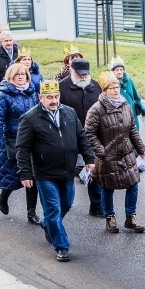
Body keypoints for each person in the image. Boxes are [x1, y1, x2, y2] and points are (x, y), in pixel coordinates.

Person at [16, 79, 95, 262]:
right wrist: (25, 173)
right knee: (53, 209)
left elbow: (81, 136)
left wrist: (89, 158)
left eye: (56, 96)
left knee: (66, 204)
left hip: (67, 171)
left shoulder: (69, 112)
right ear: (40, 97)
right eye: (49, 97)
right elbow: (22, 148)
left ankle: (47, 224)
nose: (53, 100)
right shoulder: (30, 118)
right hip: (45, 174)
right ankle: (61, 246)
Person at [84, 71, 145, 234]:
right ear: (104, 91)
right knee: (107, 187)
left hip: (126, 153)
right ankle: (109, 217)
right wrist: (101, 151)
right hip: (107, 155)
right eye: (111, 88)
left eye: (117, 86)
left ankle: (130, 217)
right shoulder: (96, 109)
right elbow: (89, 132)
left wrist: (141, 149)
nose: (115, 90)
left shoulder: (125, 104)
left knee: (133, 184)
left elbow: (132, 129)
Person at [0, 63, 40, 223]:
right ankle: (4, 196)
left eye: (23, 74)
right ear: (11, 76)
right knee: (12, 177)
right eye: (17, 74)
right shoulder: (4, 94)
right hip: (12, 140)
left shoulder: (32, 91)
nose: (21, 77)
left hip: (33, 140)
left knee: (33, 177)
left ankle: (31, 212)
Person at [59, 58, 103, 217]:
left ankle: (96, 205)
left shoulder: (96, 86)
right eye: (80, 74)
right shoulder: (62, 87)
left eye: (86, 74)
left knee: (93, 169)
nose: (84, 77)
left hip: (92, 136)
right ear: (71, 71)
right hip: (69, 135)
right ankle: (63, 202)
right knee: (69, 171)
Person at [110, 55, 145, 131]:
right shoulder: (110, 83)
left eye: (121, 69)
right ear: (112, 71)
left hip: (132, 113)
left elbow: (136, 98)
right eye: (117, 70)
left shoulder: (129, 80)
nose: (119, 72)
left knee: (135, 135)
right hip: (119, 116)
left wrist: (144, 111)